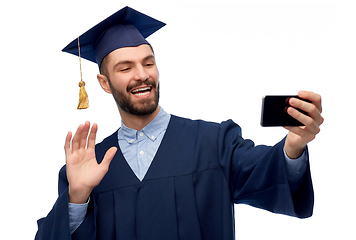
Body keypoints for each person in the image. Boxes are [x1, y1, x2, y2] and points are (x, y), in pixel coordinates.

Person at [35, 6, 324, 240]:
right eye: (125, 68)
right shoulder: (88, 168)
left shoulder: (214, 142)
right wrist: (77, 197)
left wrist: (294, 146)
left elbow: (268, 172)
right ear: (104, 83)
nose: (142, 75)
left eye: (148, 63)